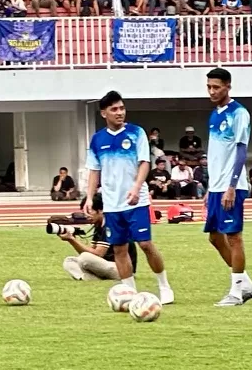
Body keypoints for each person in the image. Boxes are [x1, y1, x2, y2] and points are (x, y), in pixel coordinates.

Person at [83, 90, 172, 304]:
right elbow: (94, 170)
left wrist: (136, 187)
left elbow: (144, 162)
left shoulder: (136, 133)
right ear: (104, 113)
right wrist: (89, 197)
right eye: (114, 109)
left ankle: (164, 285)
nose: (119, 113)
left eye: (122, 108)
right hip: (112, 205)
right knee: (119, 248)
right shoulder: (97, 140)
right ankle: (130, 293)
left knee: (145, 244)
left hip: (137, 201)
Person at [204, 68, 252, 306]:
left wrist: (231, 186)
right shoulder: (215, 114)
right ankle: (245, 282)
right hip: (216, 186)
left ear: (228, 86)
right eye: (209, 87)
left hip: (231, 186)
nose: (212, 91)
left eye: (216, 87)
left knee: (234, 237)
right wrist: (210, 187)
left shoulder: (239, 114)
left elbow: (240, 151)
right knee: (215, 238)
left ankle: (236, 293)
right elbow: (217, 154)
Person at [47, 195, 129, 281]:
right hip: (105, 265)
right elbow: (91, 252)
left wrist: (72, 240)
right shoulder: (99, 225)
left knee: (84, 257)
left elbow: (98, 254)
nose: (86, 216)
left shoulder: (110, 225)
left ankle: (92, 277)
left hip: (119, 267)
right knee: (69, 261)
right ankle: (90, 278)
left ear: (100, 210)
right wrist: (71, 239)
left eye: (89, 211)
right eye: (84, 212)